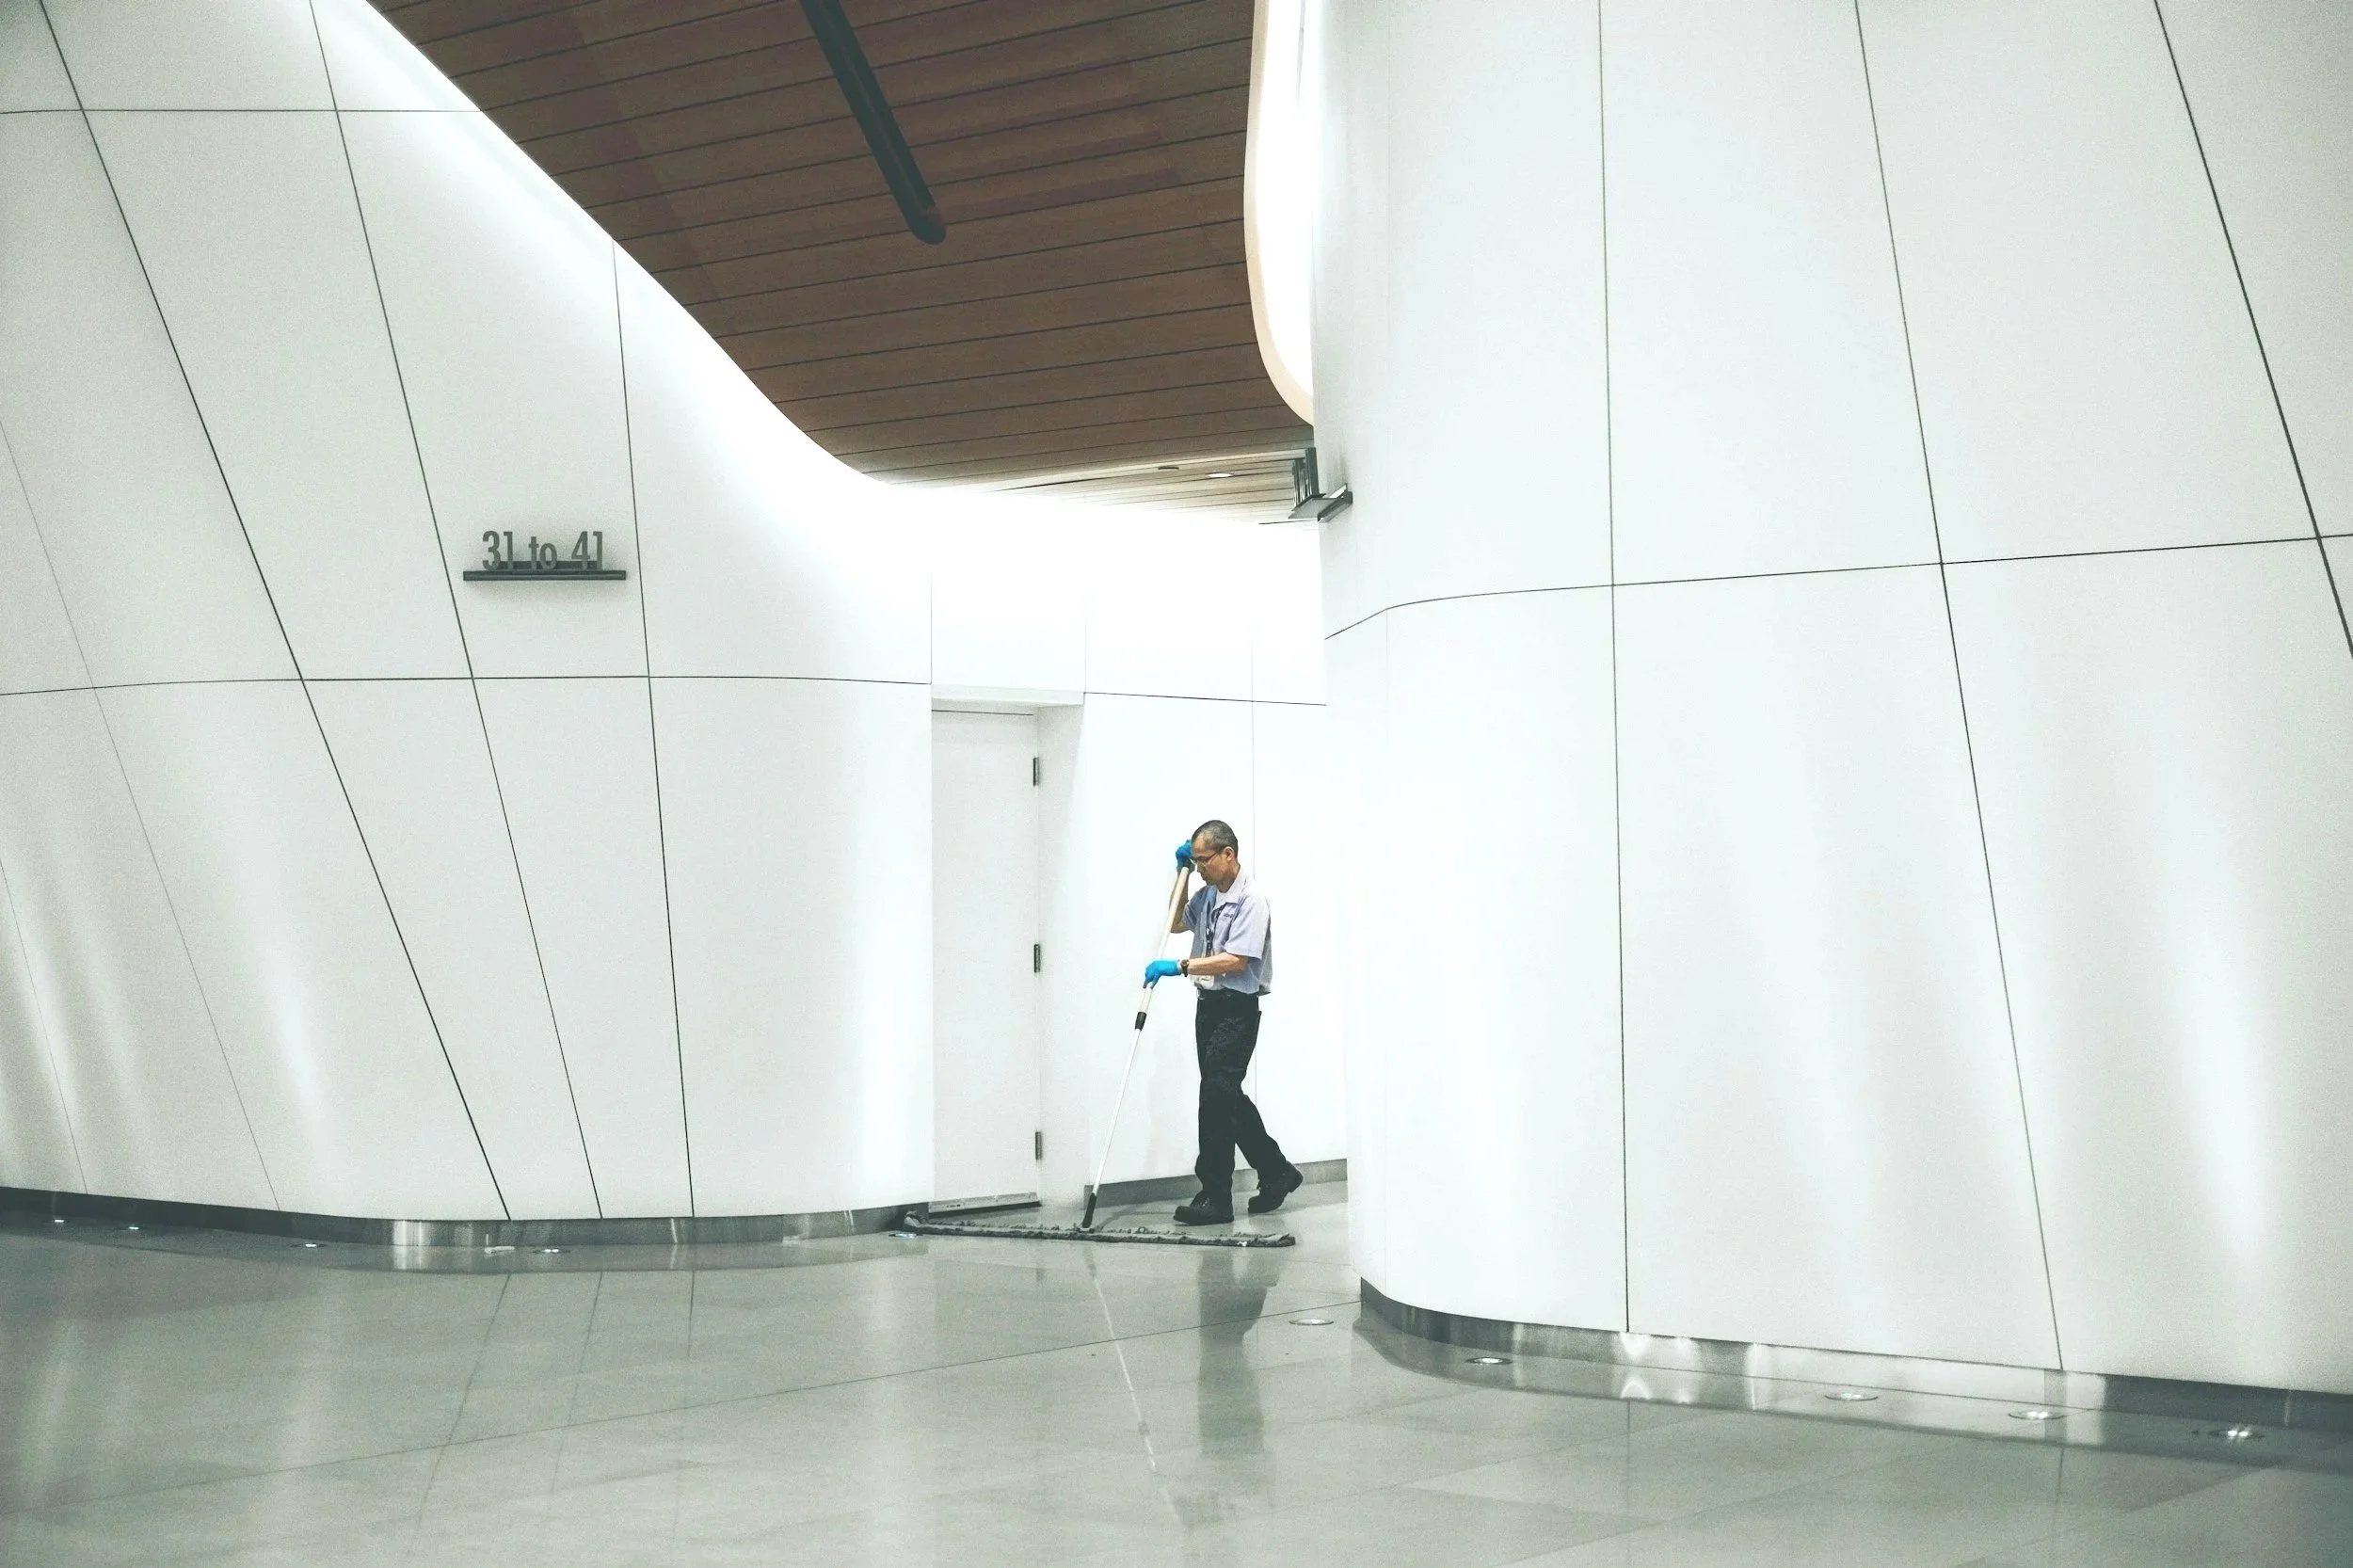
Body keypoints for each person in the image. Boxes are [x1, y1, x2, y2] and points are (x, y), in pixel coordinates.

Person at [1144, 820, 1303, 1224]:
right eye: (1193, 861)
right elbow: (1176, 922)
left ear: (1227, 854)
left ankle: (1215, 1196)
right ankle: (1277, 1172)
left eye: (1202, 860)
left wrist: (1179, 965)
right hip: (1209, 1006)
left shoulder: (1253, 901)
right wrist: (1178, 876)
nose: (1199, 868)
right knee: (1226, 1097)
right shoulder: (1207, 894)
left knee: (1215, 1099)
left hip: (1237, 1009)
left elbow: (1237, 960)